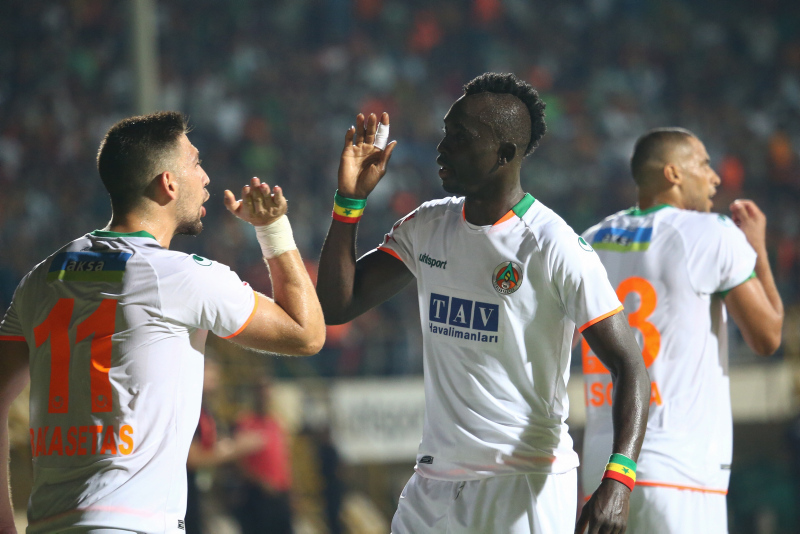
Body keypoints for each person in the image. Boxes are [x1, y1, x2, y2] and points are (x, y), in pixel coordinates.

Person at [316, 72, 651, 534]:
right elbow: (337, 306)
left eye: (460, 137)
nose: (442, 148)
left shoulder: (553, 246)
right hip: (432, 485)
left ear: (505, 154)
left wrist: (619, 480)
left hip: (524, 484)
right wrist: (349, 202)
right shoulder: (427, 227)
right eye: (445, 133)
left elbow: (630, 366)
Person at [0, 111, 326, 534]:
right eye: (195, 163)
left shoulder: (41, 277)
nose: (206, 178)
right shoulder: (181, 276)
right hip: (133, 524)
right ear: (168, 183)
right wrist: (273, 229)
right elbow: (306, 333)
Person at [578, 128, 784, 533]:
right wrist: (757, 249)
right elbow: (767, 337)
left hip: (604, 475)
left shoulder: (589, 241)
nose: (715, 178)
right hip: (680, 472)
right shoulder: (712, 233)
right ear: (673, 173)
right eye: (704, 164)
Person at [184, 359, 263, 534]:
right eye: (208, 369)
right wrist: (237, 448)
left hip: (203, 488)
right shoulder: (187, 406)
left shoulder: (205, 407)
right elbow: (193, 459)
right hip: (187, 490)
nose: (216, 375)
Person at [232, 378, 294, 534]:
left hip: (280, 495)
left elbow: (285, 460)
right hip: (257, 496)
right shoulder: (245, 423)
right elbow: (238, 462)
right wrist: (261, 483)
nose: (264, 395)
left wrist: (291, 491)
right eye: (260, 391)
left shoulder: (277, 423)